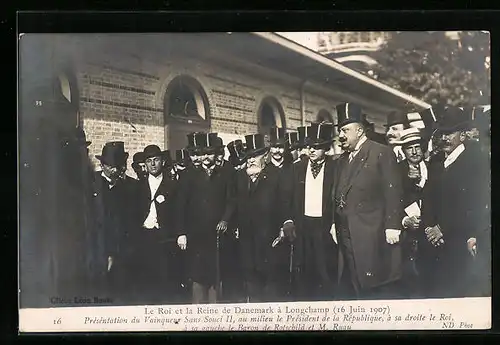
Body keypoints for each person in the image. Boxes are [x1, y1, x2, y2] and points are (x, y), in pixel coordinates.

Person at [332, 102, 404, 300]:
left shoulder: (381, 152)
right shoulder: (342, 160)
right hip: (345, 231)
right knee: (352, 281)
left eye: (345, 130)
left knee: (373, 286)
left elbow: (393, 191)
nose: (341, 136)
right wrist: (333, 222)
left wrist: (392, 225)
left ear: (360, 130)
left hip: (372, 232)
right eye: (340, 131)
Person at [420, 106, 490, 298]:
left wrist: (442, 229)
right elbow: (427, 199)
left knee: (458, 291)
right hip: (434, 242)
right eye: (442, 134)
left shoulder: (475, 160)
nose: (445, 139)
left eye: (450, 133)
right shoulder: (435, 162)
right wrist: (428, 228)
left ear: (462, 135)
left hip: (459, 238)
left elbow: (473, 203)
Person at [176, 132, 236, 304]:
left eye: (210, 153)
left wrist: (225, 219)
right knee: (197, 276)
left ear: (216, 154)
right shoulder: (188, 175)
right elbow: (180, 206)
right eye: (203, 153)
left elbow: (232, 200)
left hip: (217, 235)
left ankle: (215, 312)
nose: (206, 157)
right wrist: (181, 233)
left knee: (216, 276)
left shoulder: (224, 174)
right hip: (196, 236)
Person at [234, 133, 293, 302]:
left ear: (265, 156)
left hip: (270, 244)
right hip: (247, 245)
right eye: (248, 157)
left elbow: (285, 205)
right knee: (253, 291)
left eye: (255, 156)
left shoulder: (277, 176)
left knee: (271, 292)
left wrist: (284, 227)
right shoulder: (240, 178)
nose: (251, 160)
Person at [285, 122, 338, 301]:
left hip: (324, 225)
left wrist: (333, 223)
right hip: (303, 224)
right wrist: (290, 220)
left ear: (327, 149)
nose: (312, 151)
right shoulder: (297, 167)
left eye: (317, 147)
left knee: (324, 269)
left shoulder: (335, 168)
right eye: (309, 147)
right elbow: (290, 197)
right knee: (304, 269)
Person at [130, 145, 187, 304]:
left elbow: (178, 212)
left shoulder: (173, 185)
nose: (153, 164)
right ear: (145, 164)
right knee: (146, 280)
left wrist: (179, 234)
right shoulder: (138, 186)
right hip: (144, 237)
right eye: (149, 161)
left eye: (156, 160)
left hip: (165, 238)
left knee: (166, 280)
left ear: (162, 161)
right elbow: (132, 213)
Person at [90, 141, 138, 303]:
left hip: (121, 250)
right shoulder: (91, 183)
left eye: (118, 166)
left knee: (119, 293)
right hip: (96, 248)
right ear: (102, 165)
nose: (115, 170)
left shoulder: (128, 187)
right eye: (110, 166)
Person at [395, 127, 429, 298]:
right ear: (403, 150)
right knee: (408, 282)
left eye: (417, 146)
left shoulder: (433, 168)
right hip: (406, 236)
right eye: (410, 148)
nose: (415, 152)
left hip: (429, 233)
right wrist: (403, 220)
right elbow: (390, 202)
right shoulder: (395, 171)